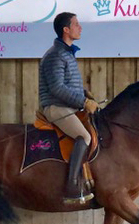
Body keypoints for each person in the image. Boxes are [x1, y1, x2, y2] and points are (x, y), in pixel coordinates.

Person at [39, 12, 99, 204]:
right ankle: (71, 185)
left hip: (67, 106)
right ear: (66, 29)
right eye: (76, 24)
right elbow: (57, 88)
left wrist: (84, 93)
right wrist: (83, 103)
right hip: (56, 108)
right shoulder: (56, 55)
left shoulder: (66, 54)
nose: (80, 27)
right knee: (85, 137)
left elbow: (66, 84)